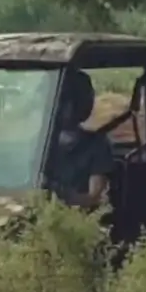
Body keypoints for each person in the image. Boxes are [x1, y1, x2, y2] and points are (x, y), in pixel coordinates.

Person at [50, 68, 114, 210]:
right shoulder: (40, 143)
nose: (58, 106)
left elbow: (94, 197)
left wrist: (62, 197)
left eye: (64, 101)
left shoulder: (97, 145)